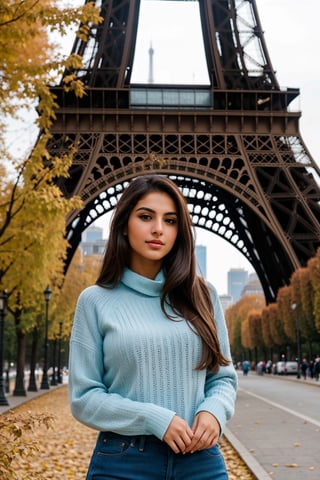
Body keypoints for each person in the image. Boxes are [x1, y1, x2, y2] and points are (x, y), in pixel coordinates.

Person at [69, 175, 238, 480]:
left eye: (170, 220)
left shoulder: (204, 295)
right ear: (123, 224)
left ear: (179, 231)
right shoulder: (94, 301)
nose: (158, 228)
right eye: (146, 216)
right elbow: (84, 397)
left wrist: (214, 411)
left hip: (200, 459)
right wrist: (153, 418)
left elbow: (222, 378)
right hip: (124, 460)